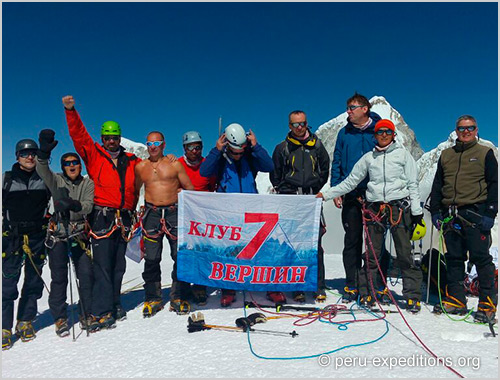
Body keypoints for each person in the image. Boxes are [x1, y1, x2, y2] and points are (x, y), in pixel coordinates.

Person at [318, 119, 424, 313]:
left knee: (404, 254)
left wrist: (417, 213)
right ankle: (368, 291)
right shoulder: (369, 158)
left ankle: (412, 296)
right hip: (374, 208)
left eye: (388, 132)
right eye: (380, 132)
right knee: (372, 254)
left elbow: (412, 184)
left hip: (398, 208)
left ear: (393, 135)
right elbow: (350, 182)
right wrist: (326, 195)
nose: (383, 135)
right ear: (374, 135)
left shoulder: (403, 155)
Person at [62, 95, 141, 331]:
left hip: (124, 217)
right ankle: (102, 310)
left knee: (118, 265)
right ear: (103, 139)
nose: (111, 142)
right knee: (103, 265)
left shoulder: (132, 160)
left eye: (114, 138)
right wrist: (71, 111)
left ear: (119, 139)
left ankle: (115, 303)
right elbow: (79, 136)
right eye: (107, 138)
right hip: (103, 216)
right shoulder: (94, 155)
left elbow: (151, 171)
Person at [430, 115, 497, 323]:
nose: (466, 132)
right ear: (456, 131)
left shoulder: (485, 153)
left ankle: (487, 303)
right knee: (454, 258)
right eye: (461, 128)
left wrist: (490, 213)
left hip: (475, 213)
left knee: (481, 259)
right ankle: (457, 299)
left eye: (470, 128)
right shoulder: (446, 155)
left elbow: (494, 183)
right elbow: (438, 185)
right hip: (451, 213)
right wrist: (435, 210)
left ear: (476, 130)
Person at [200, 123, 274, 307]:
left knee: (257, 249)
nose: (238, 155)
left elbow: (269, 165)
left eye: (241, 151)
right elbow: (204, 171)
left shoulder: (250, 156)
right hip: (228, 213)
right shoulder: (221, 158)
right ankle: (229, 288)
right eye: (235, 151)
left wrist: (255, 146)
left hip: (251, 210)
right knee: (230, 250)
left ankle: (262, 284)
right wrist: (216, 151)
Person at [35, 129, 95, 337]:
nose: (72, 165)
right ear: (63, 167)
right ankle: (60, 317)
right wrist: (42, 153)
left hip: (78, 233)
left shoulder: (87, 183)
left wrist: (74, 205)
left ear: (80, 165)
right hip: (59, 233)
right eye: (68, 163)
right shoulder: (57, 181)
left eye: (75, 162)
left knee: (86, 275)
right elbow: (42, 170)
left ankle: (86, 313)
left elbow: (88, 206)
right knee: (59, 277)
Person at [270, 110, 330, 304]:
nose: (299, 127)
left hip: (311, 200)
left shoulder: (317, 146)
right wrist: (285, 190)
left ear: (307, 123)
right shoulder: (282, 148)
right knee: (293, 244)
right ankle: (297, 287)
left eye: (302, 123)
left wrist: (314, 188)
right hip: (291, 201)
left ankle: (318, 286)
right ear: (289, 126)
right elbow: (275, 174)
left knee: (315, 244)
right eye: (295, 124)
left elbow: (324, 170)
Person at [330, 92, 385, 304]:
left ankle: (375, 283)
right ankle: (351, 284)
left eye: (352, 107)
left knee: (376, 242)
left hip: (375, 194)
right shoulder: (344, 133)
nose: (348, 112)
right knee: (352, 240)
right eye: (348, 108)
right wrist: (337, 189)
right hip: (351, 194)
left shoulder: (380, 130)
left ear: (365, 109)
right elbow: (337, 161)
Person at [135, 131, 194, 316]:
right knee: (151, 259)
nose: (153, 146)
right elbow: (135, 190)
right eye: (150, 143)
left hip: (174, 213)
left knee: (180, 256)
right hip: (151, 214)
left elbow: (189, 188)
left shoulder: (174, 164)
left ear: (163, 144)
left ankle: (179, 296)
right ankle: (153, 297)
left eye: (157, 142)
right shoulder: (141, 167)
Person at [2, 139, 51, 350]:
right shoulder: (7, 179)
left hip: (37, 236)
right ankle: (5, 328)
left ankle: (25, 320)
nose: (29, 157)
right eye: (24, 154)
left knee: (33, 281)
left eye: (32, 153)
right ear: (17, 157)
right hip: (12, 237)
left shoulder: (45, 179)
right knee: (8, 283)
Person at [178, 131, 216, 306]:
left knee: (202, 250)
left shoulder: (207, 165)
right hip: (184, 216)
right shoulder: (177, 164)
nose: (195, 150)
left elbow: (213, 186)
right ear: (185, 148)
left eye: (198, 147)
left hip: (203, 215)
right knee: (185, 251)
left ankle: (200, 287)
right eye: (191, 147)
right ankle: (183, 288)